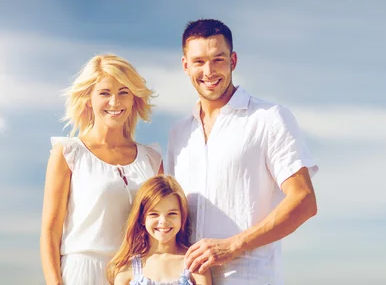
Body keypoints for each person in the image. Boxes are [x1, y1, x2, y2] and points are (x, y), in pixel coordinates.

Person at [164, 19, 319, 284]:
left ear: (233, 61)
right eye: (199, 61)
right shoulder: (179, 133)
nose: (209, 71)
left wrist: (233, 245)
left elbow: (304, 201)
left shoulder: (269, 118)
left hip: (250, 278)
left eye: (218, 59)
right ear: (185, 66)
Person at [40, 53, 163, 285]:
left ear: (134, 98)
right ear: (89, 99)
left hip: (137, 273)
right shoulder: (68, 153)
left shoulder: (152, 159)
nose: (115, 102)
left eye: (123, 92)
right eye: (105, 93)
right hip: (83, 272)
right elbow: (50, 231)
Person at [107, 175, 212, 285]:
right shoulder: (126, 269)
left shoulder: (195, 264)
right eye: (154, 214)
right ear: (142, 218)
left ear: (182, 216)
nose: (163, 221)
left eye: (172, 213)